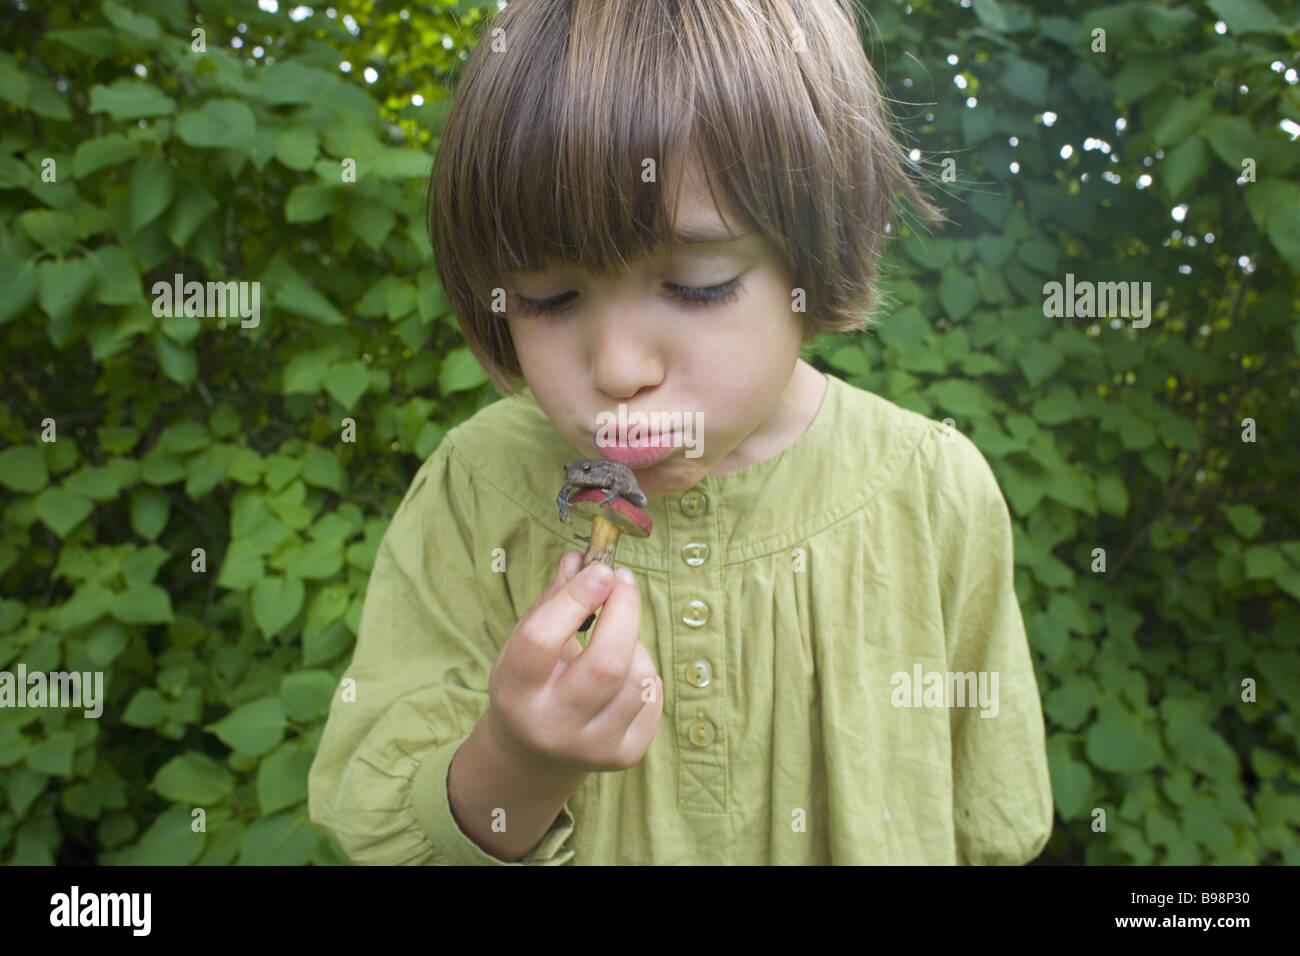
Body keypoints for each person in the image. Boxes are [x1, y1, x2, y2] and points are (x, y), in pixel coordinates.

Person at [307, 0, 1053, 864]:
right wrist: (516, 764)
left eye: (697, 285)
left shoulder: (934, 492)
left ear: (816, 253)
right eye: (549, 299)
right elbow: (381, 827)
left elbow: (993, 818)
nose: (619, 368)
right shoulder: (477, 490)